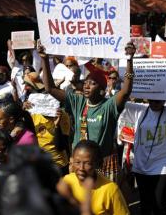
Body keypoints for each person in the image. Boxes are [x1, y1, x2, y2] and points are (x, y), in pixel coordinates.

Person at [38, 42, 136, 181]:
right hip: (80, 166)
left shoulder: (109, 106)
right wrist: (44, 58)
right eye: (85, 82)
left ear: (102, 91)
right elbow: (50, 89)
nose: (86, 85)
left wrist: (129, 60)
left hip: (102, 166)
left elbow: (126, 91)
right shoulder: (78, 101)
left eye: (92, 83)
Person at [118, 99, 166, 215]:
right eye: (152, 101)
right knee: (145, 204)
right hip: (141, 165)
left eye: (158, 101)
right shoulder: (138, 109)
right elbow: (119, 103)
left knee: (160, 205)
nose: (155, 103)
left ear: (164, 100)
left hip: (163, 165)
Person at [63, 140, 130, 215]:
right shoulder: (67, 181)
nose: (81, 168)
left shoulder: (110, 190)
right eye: (77, 162)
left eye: (87, 163)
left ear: (97, 164)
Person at [32, 108, 71, 174]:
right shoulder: (34, 115)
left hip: (59, 165)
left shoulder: (62, 115)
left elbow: (60, 147)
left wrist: (56, 126)